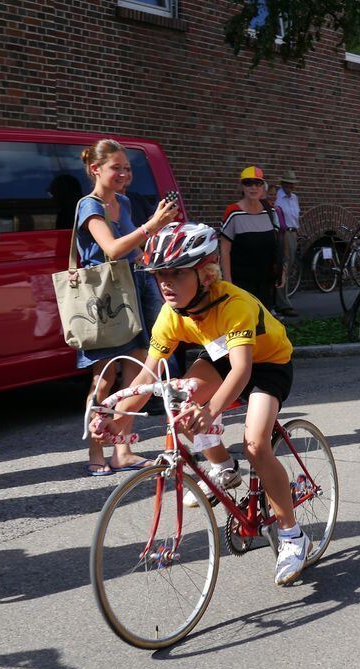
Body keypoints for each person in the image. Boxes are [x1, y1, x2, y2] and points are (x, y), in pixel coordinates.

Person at [90, 222, 311, 586]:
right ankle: (223, 466)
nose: (165, 283)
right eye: (160, 274)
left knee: (256, 445)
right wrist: (120, 419)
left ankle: (292, 535)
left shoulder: (233, 304)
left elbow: (242, 371)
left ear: (205, 273)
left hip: (268, 364)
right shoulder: (172, 313)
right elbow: (148, 376)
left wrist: (210, 411)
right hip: (222, 357)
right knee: (178, 397)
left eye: (176, 273)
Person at [75, 139, 179, 475]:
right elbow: (112, 248)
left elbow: (133, 251)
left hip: (132, 294)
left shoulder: (123, 202)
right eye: (116, 168)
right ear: (96, 169)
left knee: (134, 377)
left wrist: (155, 249)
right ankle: (95, 449)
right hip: (103, 300)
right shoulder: (89, 206)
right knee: (103, 380)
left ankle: (122, 449)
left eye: (127, 168)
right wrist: (152, 225)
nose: (124, 174)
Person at [221, 166, 284, 311]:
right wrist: (228, 282)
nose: (253, 188)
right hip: (241, 282)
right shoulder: (233, 213)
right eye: (248, 183)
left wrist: (282, 270)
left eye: (257, 183)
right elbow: (224, 250)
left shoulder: (270, 211)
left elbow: (277, 244)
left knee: (263, 322)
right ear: (242, 186)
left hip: (266, 281)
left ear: (263, 187)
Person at [274, 170, 301, 316]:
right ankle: (282, 304)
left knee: (288, 268)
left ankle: (282, 300)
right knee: (283, 267)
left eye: (293, 184)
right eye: (288, 183)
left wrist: (297, 231)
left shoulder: (294, 198)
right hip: (282, 233)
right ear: (283, 183)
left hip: (293, 233)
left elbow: (295, 217)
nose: (291, 186)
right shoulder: (278, 197)